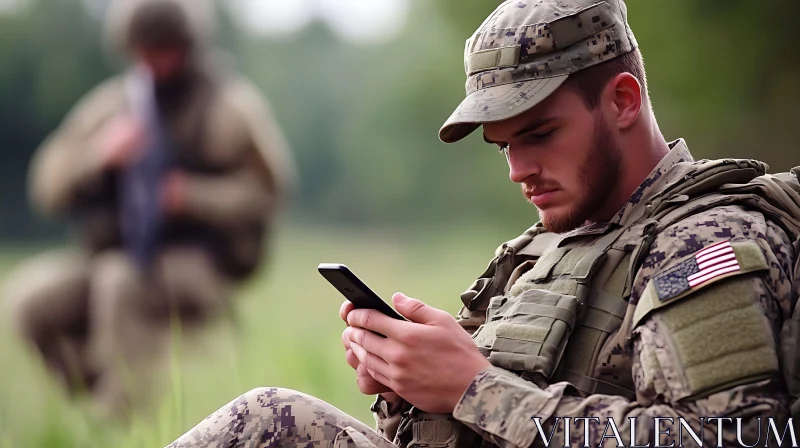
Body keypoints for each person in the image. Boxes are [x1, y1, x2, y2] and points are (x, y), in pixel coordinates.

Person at [166, 0, 800, 446]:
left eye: (541, 134)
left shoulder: (704, 242)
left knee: (266, 421)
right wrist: (407, 381)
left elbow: (735, 436)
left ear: (623, 101)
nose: (518, 170)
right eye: (503, 146)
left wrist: (475, 387)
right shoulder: (553, 244)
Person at [4, 0, 295, 416]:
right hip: (114, 251)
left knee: (117, 284)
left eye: (166, 48)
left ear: (189, 46)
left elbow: (269, 193)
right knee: (30, 300)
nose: (155, 60)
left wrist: (189, 195)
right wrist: (99, 157)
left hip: (198, 264)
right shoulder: (112, 106)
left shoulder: (228, 108)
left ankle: (125, 421)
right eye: (144, 49)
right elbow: (46, 186)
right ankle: (102, 400)